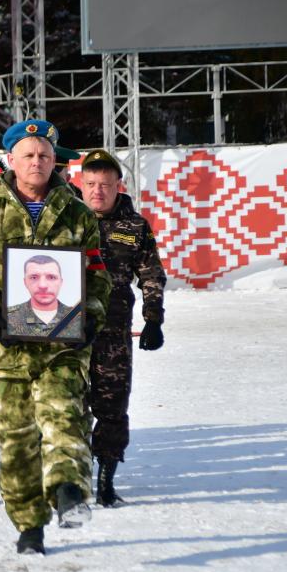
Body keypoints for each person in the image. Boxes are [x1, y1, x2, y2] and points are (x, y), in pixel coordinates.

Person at [0, 119, 111, 555]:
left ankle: (69, 493)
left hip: (62, 347)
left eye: (44, 155)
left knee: (65, 420)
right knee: (17, 443)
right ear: (11, 160)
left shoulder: (77, 213)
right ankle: (29, 525)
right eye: (28, 155)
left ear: (54, 160)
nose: (37, 162)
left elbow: (97, 274)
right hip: (4, 350)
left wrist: (91, 316)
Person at [79, 148, 166, 506]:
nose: (97, 191)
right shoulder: (66, 220)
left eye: (105, 184)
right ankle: (71, 479)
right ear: (81, 185)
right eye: (91, 184)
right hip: (67, 333)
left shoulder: (135, 227)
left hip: (113, 333)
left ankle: (106, 482)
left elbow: (151, 275)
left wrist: (153, 319)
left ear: (119, 186)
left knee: (112, 406)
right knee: (67, 406)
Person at [5, 254, 84, 339]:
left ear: (60, 282)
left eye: (51, 277)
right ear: (25, 282)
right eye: (34, 277)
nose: (43, 285)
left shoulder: (78, 318)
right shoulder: (7, 317)